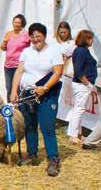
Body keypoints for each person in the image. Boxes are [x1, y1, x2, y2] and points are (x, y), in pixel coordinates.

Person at [10, 23, 63, 177]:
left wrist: (45, 88)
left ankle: (53, 159)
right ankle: (32, 154)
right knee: (29, 126)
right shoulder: (26, 52)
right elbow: (19, 71)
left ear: (44, 36)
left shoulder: (54, 51)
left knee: (47, 127)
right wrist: (14, 91)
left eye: (38, 36)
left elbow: (57, 72)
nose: (35, 39)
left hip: (47, 95)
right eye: (32, 36)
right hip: (27, 94)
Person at [66, 30, 97, 145]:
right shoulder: (81, 51)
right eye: (91, 38)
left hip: (82, 85)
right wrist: (88, 84)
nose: (92, 40)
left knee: (79, 109)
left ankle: (77, 133)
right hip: (82, 85)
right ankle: (73, 135)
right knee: (79, 109)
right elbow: (78, 72)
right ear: (86, 39)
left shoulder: (82, 51)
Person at [0, 14, 29, 101]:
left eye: (18, 23)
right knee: (9, 88)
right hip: (8, 66)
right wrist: (4, 42)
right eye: (15, 22)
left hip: (19, 66)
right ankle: (9, 108)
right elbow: (2, 48)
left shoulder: (26, 34)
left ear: (22, 24)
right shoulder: (9, 33)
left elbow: (31, 48)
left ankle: (19, 109)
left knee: (18, 88)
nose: (16, 24)